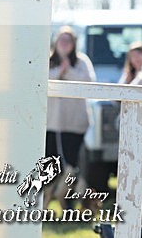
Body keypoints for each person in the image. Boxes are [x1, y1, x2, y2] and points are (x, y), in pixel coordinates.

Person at [44, 25, 95, 208]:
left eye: (68, 40)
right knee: (50, 164)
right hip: (50, 124)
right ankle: (46, 202)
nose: (64, 44)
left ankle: (68, 201)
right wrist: (59, 71)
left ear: (74, 44)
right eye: (61, 40)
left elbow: (89, 82)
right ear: (55, 42)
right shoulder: (47, 60)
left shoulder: (81, 62)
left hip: (74, 124)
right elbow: (41, 80)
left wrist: (68, 70)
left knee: (71, 164)